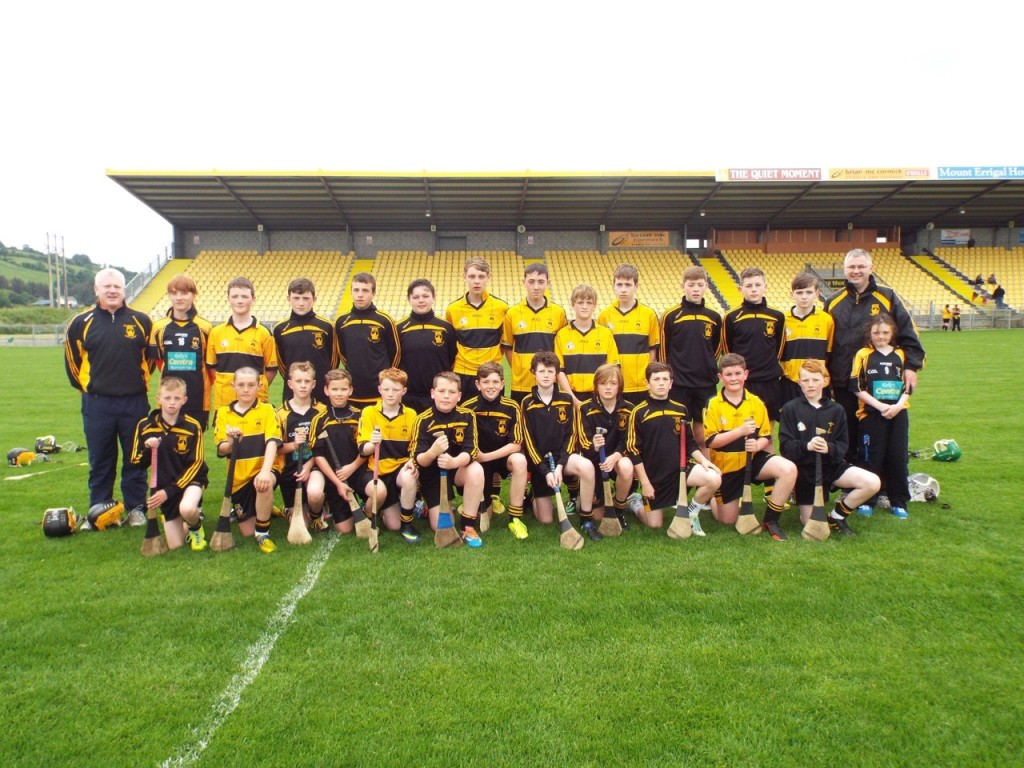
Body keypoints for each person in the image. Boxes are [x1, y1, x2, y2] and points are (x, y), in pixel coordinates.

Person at [65, 267, 154, 527]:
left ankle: (136, 508)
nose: (112, 291)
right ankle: (100, 509)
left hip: (134, 402)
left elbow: (149, 361)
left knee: (135, 457)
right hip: (97, 403)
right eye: (107, 287)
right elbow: (73, 364)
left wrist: (133, 382)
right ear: (97, 290)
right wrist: (92, 386)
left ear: (124, 290)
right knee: (100, 457)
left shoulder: (142, 321)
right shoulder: (80, 323)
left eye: (117, 287)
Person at [823, 249, 925, 462]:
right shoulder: (833, 302)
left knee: (881, 437)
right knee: (847, 433)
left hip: (881, 383)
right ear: (844, 270)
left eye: (861, 266)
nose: (856, 271)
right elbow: (826, 343)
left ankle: (882, 487)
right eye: (852, 267)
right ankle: (851, 484)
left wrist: (912, 367)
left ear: (871, 268)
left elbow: (909, 333)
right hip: (844, 383)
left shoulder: (888, 297)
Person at [778, 360, 880, 537]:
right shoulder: (790, 409)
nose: (811, 385)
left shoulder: (837, 409)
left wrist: (829, 448)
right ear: (799, 381)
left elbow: (842, 446)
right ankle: (808, 505)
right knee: (810, 524)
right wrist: (807, 446)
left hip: (831, 466)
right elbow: (785, 447)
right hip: (806, 473)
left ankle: (837, 516)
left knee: (872, 482)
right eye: (806, 380)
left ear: (825, 381)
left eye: (815, 380)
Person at [703, 354, 797, 539]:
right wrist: (740, 431)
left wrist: (757, 445)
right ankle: (715, 496)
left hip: (752, 460)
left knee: (789, 469)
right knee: (727, 521)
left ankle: (771, 520)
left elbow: (766, 437)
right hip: (726, 466)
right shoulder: (713, 404)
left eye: (738, 373)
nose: (733, 378)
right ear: (720, 377)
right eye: (728, 374)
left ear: (746, 374)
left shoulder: (756, 402)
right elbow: (711, 441)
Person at [626, 362, 720, 533]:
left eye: (665, 379)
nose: (661, 383)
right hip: (655, 478)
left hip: (681, 471)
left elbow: (690, 443)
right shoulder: (639, 412)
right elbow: (633, 450)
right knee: (654, 524)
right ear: (647, 383)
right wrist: (645, 483)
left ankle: (692, 513)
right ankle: (635, 503)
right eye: (656, 379)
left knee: (713, 478)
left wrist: (704, 461)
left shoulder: (680, 409)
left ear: (671, 383)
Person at [520, 351, 599, 540]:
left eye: (550, 371)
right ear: (534, 373)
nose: (546, 375)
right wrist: (546, 470)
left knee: (587, 467)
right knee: (546, 519)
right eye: (541, 371)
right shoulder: (527, 402)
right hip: (541, 463)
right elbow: (529, 442)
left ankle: (586, 517)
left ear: (556, 374)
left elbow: (572, 436)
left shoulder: (566, 399)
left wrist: (561, 466)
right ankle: (534, 498)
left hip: (563, 459)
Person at [129, 376, 209, 550]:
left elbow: (197, 463)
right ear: (158, 399)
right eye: (167, 398)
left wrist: (169, 491)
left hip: (191, 480)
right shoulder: (145, 425)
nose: (172, 403)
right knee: (175, 545)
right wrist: (148, 448)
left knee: (187, 508)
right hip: (165, 485)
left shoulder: (192, 426)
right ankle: (189, 519)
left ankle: (195, 526)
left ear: (184, 400)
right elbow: (136, 462)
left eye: (177, 398)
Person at [213, 367, 284, 553]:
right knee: (246, 532)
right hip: (238, 480)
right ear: (233, 386)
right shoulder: (223, 413)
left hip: (263, 469)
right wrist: (231, 443)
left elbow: (272, 443)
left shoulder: (268, 410)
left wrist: (265, 471)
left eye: (251, 385)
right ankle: (265, 510)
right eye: (241, 385)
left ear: (259, 386)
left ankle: (263, 533)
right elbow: (221, 449)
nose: (246, 389)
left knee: (264, 484)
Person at [411, 371, 485, 547]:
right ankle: (428, 506)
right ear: (432, 393)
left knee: (476, 470)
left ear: (459, 396)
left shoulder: (467, 416)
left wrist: (453, 462)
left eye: (452, 392)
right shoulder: (422, 420)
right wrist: (432, 452)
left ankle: (468, 526)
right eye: (441, 391)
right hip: (433, 476)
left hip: (457, 469)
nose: (446, 396)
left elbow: (472, 450)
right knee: (441, 526)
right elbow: (418, 459)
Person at [850, 313, 912, 519]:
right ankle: (867, 500)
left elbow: (909, 386)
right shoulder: (863, 354)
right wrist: (879, 406)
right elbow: (856, 386)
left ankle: (899, 500)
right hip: (870, 414)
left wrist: (898, 406)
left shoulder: (902, 355)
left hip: (898, 413)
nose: (881, 336)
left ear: (892, 332)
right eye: (876, 332)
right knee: (870, 456)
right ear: (870, 333)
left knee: (897, 456)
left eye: (885, 332)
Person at [460, 362, 530, 539]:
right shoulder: (468, 408)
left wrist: (487, 457)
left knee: (520, 460)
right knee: (485, 517)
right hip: (478, 463)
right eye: (485, 382)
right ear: (478, 384)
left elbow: (516, 444)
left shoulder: (511, 406)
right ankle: (479, 502)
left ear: (502, 384)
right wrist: (478, 458)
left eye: (495, 382)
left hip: (501, 458)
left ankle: (515, 518)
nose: (490, 386)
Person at [659, 265, 722, 452]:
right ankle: (680, 476)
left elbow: (717, 349)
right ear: (683, 286)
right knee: (679, 433)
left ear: (706, 287)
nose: (696, 289)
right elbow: (664, 351)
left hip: (705, 384)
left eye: (700, 285)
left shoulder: (714, 317)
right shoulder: (671, 316)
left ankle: (707, 474)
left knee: (703, 434)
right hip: (679, 384)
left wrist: (707, 366)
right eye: (691, 285)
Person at [355, 368, 420, 541]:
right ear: (379, 390)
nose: (390, 394)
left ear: (404, 391)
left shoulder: (411, 415)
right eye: (386, 389)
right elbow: (363, 448)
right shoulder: (369, 412)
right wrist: (372, 443)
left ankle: (407, 523)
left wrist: (412, 461)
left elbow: (415, 446)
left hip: (398, 469)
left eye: (396, 390)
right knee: (392, 525)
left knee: (410, 476)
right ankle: (368, 514)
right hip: (375, 469)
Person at [722, 266, 787, 426]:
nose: (754, 290)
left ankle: (767, 452)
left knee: (767, 430)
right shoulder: (732, 317)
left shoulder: (777, 316)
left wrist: (768, 366)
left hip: (769, 380)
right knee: (741, 428)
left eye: (758, 285)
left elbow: (779, 348)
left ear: (765, 287)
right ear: (740, 289)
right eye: (749, 286)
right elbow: (728, 350)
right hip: (744, 380)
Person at [149, 274, 214, 430]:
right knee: (168, 445)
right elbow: (158, 361)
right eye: (174, 293)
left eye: (184, 293)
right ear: (169, 296)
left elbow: (210, 364)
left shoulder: (205, 327)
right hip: (168, 399)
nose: (179, 297)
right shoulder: (158, 327)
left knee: (194, 445)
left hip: (197, 399)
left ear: (193, 295)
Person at [308, 369, 368, 534]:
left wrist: (352, 467)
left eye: (343, 389)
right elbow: (318, 455)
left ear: (350, 390)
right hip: (335, 478)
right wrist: (338, 483)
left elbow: (366, 450)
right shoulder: (319, 419)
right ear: (326, 390)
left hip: (357, 471)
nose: (339, 394)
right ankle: (329, 503)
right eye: (334, 389)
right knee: (345, 529)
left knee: (378, 493)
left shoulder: (360, 416)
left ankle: (367, 510)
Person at [576, 364, 635, 529]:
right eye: (603, 383)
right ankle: (588, 498)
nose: (608, 388)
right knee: (598, 516)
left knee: (626, 467)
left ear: (620, 385)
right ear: (596, 386)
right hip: (595, 461)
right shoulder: (585, 408)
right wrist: (593, 445)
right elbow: (582, 441)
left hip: (616, 459)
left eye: (613, 383)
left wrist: (615, 456)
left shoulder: (629, 409)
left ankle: (619, 508)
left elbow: (629, 441)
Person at [206, 277, 278, 412]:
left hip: (256, 403)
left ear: (253, 299)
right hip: (224, 404)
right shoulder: (216, 333)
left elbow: (271, 369)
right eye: (235, 296)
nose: (239, 301)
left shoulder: (264, 333)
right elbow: (211, 368)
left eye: (244, 296)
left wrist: (255, 387)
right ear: (228, 299)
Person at [501, 263, 567, 404]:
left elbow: (562, 348)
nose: (536, 287)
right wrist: (521, 368)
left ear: (548, 283)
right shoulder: (512, 313)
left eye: (541, 282)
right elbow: (507, 348)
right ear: (524, 282)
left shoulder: (558, 313)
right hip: (521, 383)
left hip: (549, 383)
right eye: (531, 281)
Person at [596, 263, 660, 407]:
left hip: (640, 385)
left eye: (628, 284)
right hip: (613, 385)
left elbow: (652, 351)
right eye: (619, 285)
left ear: (636, 286)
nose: (623, 289)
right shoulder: (604, 316)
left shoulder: (648, 315)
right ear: (613, 286)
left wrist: (648, 378)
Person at [335, 272, 400, 409]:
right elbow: (343, 354)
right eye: (356, 290)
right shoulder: (342, 321)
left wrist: (385, 377)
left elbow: (395, 353)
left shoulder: (384, 320)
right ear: (351, 292)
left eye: (365, 290)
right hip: (354, 389)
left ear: (373, 293)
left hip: (379, 390)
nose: (360, 294)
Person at [445, 257, 509, 396]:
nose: (476, 281)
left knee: (494, 416)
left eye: (481, 276)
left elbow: (505, 342)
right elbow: (450, 344)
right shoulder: (453, 309)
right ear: (464, 277)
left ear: (488, 277)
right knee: (463, 416)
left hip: (492, 374)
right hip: (463, 373)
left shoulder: (501, 308)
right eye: (472, 276)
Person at [275, 362, 326, 526]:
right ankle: (289, 510)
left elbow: (325, 447)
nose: (303, 386)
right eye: (298, 381)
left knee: (315, 494)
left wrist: (308, 466)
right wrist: (294, 445)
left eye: (307, 381)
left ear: (314, 384)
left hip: (315, 465)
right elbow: (276, 449)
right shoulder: (280, 414)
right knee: (301, 523)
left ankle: (317, 515)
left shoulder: (322, 411)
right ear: (290, 384)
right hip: (290, 471)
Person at [272, 277, 337, 406]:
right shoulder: (280, 329)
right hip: (294, 391)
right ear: (288, 299)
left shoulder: (327, 326)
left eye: (306, 298)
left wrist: (324, 378)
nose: (301, 303)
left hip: (321, 389)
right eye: (296, 298)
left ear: (314, 299)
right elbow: (282, 365)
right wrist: (296, 379)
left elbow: (333, 360)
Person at [396, 278, 457, 414]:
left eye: (425, 296)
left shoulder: (446, 327)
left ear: (433, 298)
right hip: (409, 395)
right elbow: (395, 360)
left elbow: (452, 358)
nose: (421, 300)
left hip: (437, 395)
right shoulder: (399, 328)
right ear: (409, 299)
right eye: (416, 297)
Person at [554, 283, 620, 407]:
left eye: (589, 303)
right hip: (571, 398)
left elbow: (613, 369)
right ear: (573, 304)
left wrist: (602, 397)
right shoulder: (561, 335)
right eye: (580, 302)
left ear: (594, 306)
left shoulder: (606, 334)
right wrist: (572, 399)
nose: (584, 307)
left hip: (599, 398)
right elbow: (559, 371)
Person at [780, 271, 834, 405]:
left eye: (809, 292)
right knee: (790, 421)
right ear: (792, 294)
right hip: (791, 382)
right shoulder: (783, 320)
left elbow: (829, 353)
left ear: (817, 294)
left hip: (817, 382)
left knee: (818, 422)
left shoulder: (826, 320)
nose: (804, 297)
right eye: (799, 292)